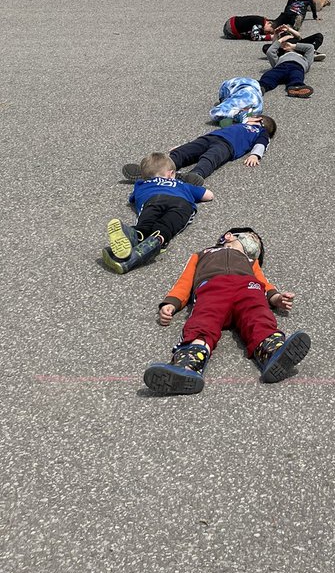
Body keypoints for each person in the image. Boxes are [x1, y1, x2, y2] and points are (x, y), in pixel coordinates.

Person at [143, 227, 311, 395]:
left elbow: (264, 283)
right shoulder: (203, 254)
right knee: (203, 320)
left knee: (258, 314)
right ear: (229, 237)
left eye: (257, 246)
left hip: (248, 287)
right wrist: (172, 302)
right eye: (251, 237)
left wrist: (276, 298)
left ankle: (272, 351)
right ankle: (187, 365)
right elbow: (184, 281)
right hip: (213, 287)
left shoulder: (251, 261)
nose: (255, 243)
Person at [101, 152, 214, 275]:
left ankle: (136, 234)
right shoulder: (182, 185)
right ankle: (157, 240)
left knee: (146, 222)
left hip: (153, 200)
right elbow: (209, 195)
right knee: (168, 224)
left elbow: (133, 199)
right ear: (171, 174)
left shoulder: (141, 184)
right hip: (181, 203)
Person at [122, 115, 277, 184]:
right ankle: (150, 171)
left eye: (254, 117)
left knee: (210, 158)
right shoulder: (239, 124)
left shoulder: (260, 132)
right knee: (183, 153)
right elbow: (224, 122)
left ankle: (193, 176)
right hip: (209, 138)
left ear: (259, 120)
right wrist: (184, 145)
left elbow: (262, 144)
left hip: (227, 146)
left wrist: (255, 155)